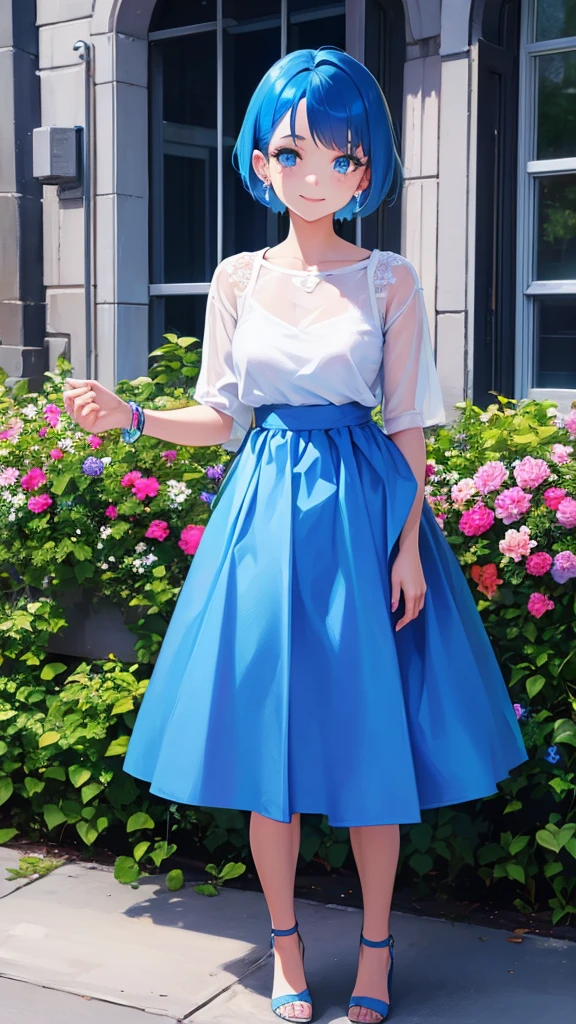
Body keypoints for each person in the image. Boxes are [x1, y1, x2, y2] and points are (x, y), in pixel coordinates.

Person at [64, 46, 528, 1024]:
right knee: (268, 748)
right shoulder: (237, 279)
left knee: (371, 745)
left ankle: (373, 949)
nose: (315, 175)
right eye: (293, 152)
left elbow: (409, 427)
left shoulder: (389, 280)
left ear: (367, 169)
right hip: (265, 517)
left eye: (341, 157)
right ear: (262, 161)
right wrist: (133, 419)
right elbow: (223, 417)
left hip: (362, 512)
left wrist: (406, 547)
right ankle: (283, 947)